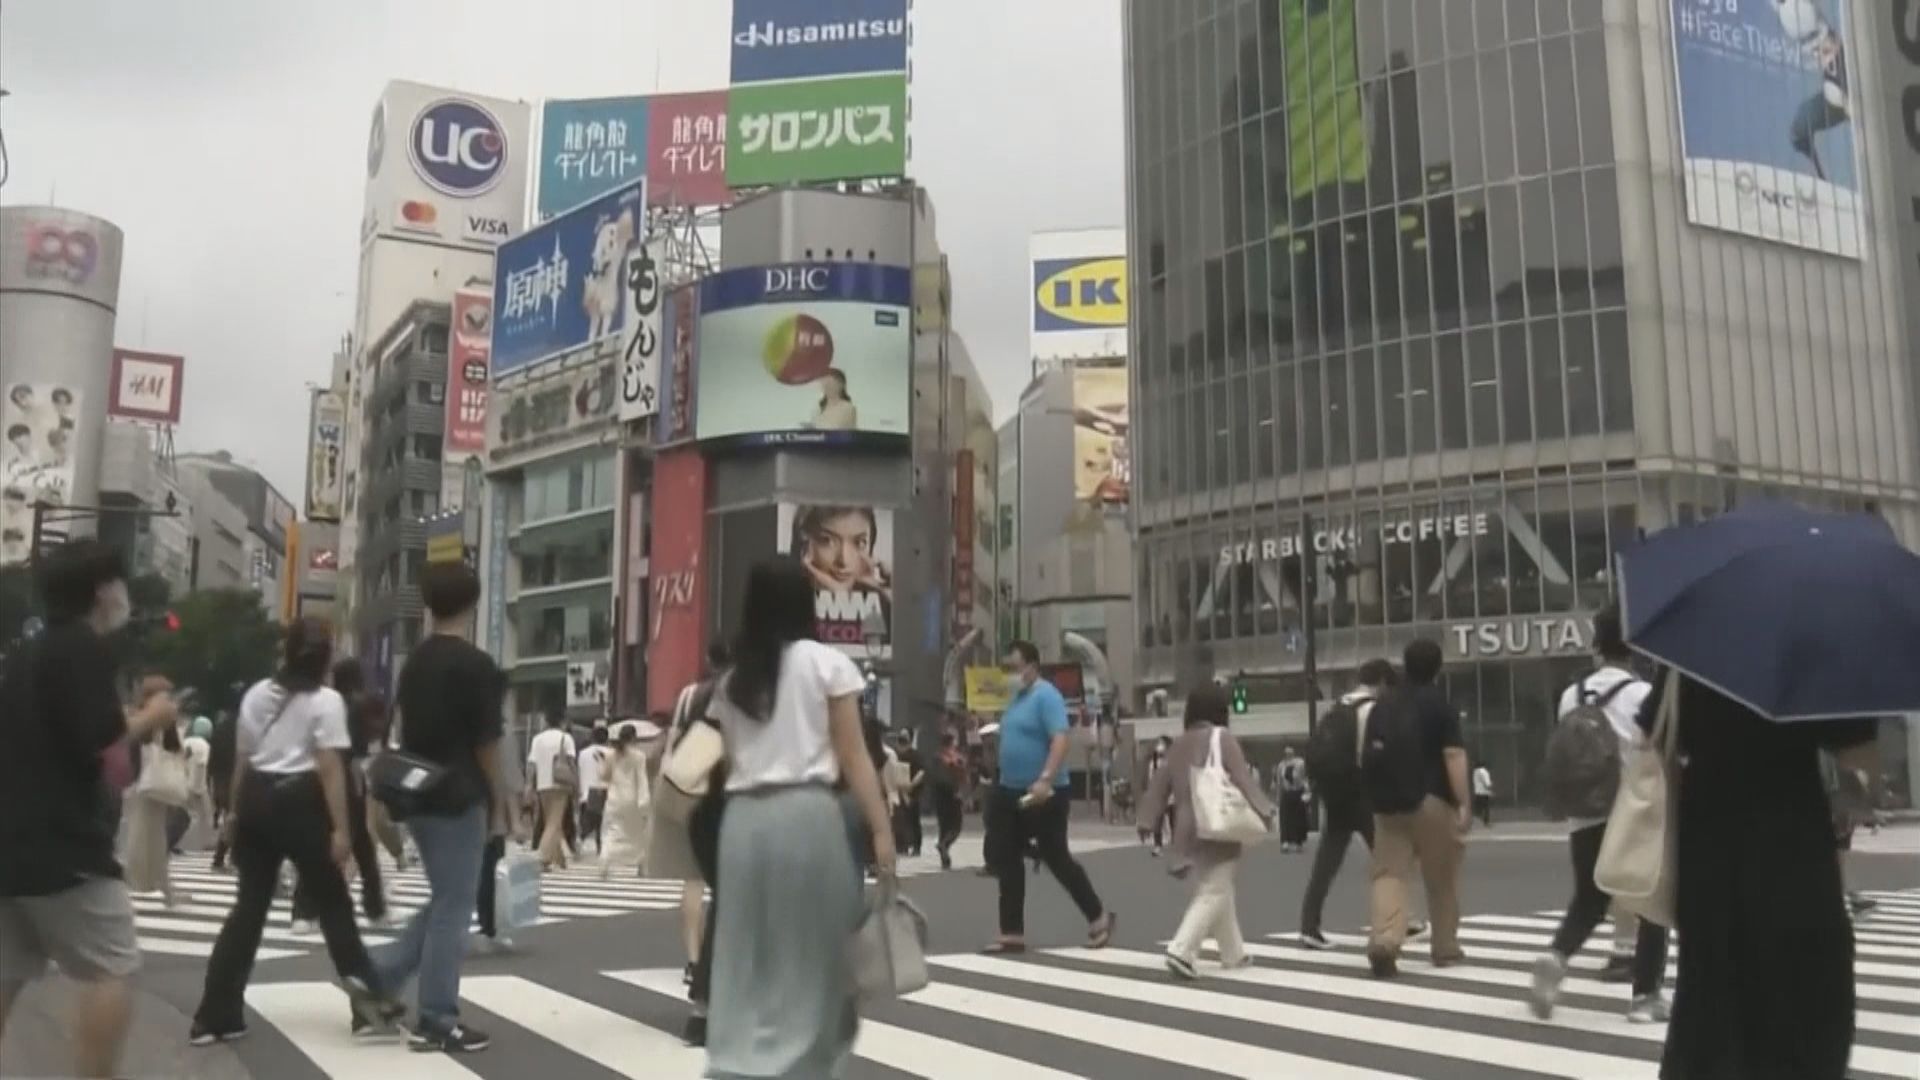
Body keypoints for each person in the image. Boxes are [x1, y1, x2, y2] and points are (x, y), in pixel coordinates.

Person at [703, 556, 895, 1077]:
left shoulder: (732, 683)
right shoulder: (826, 664)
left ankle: (735, 1061)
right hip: (807, 817)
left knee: (745, 950)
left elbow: (724, 763)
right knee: (816, 953)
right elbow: (854, 757)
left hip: (741, 822)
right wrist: (882, 831)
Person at [0, 541, 181, 1079]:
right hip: (66, 843)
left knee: (6, 969)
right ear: (103, 592)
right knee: (112, 968)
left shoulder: (24, 653)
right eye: (120, 585)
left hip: (9, 840)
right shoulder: (85, 649)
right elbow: (104, 752)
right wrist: (152, 717)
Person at [1642, 667, 1876, 1079]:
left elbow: (1657, 739)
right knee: (1804, 1009)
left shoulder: (1691, 644)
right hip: (1792, 848)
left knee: (1711, 1008)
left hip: (1708, 852)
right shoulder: (1808, 639)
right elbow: (1858, 754)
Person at [190, 617, 402, 1046]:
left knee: (248, 910)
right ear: (325, 660)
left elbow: (243, 763)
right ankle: (369, 1003)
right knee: (333, 904)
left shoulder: (255, 696)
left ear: (286, 654)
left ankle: (215, 1014)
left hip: (255, 805)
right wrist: (342, 829)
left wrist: (232, 816)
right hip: (302, 806)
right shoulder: (326, 702)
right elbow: (328, 768)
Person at [369, 561, 508, 1053]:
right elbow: (488, 744)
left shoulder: (416, 662)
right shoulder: (477, 666)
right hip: (460, 794)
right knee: (455, 904)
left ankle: (377, 978)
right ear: (472, 604)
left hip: (417, 793)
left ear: (429, 604)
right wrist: (501, 803)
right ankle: (436, 1017)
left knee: (446, 899)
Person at [1529, 607, 1671, 1023]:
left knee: (1589, 901)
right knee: (1650, 904)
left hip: (1583, 814)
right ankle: (1645, 997)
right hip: (1633, 811)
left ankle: (1557, 955)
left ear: (1596, 647)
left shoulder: (1571, 696)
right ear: (1634, 651)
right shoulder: (1642, 695)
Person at [983, 640, 1117, 954]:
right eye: (1008, 669)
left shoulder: (1047, 696)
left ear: (1031, 666)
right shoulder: (1015, 700)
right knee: (1006, 857)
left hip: (1044, 792)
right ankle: (1011, 931)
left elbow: (1060, 738)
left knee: (1056, 856)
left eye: (1015, 667)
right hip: (1010, 788)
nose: (1011, 674)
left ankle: (1098, 916)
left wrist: (1045, 778)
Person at [1135, 685, 1273, 979]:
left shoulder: (1178, 745)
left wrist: (1146, 819)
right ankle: (1182, 949)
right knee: (1216, 887)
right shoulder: (1222, 738)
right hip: (1217, 822)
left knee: (1217, 883)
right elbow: (1242, 779)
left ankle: (1233, 952)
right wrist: (1264, 808)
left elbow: (1159, 787)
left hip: (1185, 827)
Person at [1364, 638, 1470, 978]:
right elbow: (1453, 755)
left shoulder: (1384, 704)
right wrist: (1464, 801)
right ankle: (1444, 946)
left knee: (1389, 874)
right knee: (1441, 877)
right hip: (1432, 801)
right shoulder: (1440, 705)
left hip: (1388, 803)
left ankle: (1385, 940)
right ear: (1437, 667)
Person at [651, 639, 729, 1046]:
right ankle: (707, 1002)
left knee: (709, 891)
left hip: (695, 802)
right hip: (733, 806)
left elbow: (674, 747)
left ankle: (702, 991)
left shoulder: (689, 695)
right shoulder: (745, 691)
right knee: (733, 902)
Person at [1301, 659, 1397, 949]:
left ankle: (1309, 924)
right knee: (1388, 858)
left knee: (1327, 860)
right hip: (1362, 790)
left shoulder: (1339, 707)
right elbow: (1375, 754)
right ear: (1381, 681)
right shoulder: (1371, 709)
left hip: (1335, 790)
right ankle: (1401, 919)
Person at [291, 658, 389, 929]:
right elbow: (366, 744)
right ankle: (375, 908)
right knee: (363, 848)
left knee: (317, 844)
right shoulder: (362, 706)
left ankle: (303, 912)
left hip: (317, 775)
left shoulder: (323, 704)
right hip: (348, 776)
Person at [597, 726, 650, 881]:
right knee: (639, 834)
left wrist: (601, 762)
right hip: (633, 800)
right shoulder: (639, 756)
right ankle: (641, 865)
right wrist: (644, 802)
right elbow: (642, 780)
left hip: (614, 799)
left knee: (610, 833)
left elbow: (604, 777)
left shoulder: (610, 755)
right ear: (634, 737)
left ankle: (605, 861)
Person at [526, 713, 577, 871]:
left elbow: (531, 764)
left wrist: (528, 784)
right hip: (560, 784)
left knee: (551, 823)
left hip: (542, 784)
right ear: (562, 721)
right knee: (554, 824)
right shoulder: (566, 738)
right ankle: (540, 859)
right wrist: (576, 783)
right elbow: (571, 762)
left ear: (546, 721)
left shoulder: (537, 739)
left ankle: (558, 860)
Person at [930, 728, 967, 869]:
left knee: (944, 826)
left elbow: (932, 776)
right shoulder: (956, 759)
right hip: (953, 794)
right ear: (952, 742)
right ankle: (944, 845)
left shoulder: (936, 757)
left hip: (940, 795)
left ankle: (944, 858)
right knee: (956, 826)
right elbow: (962, 776)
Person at [207, 708, 239, 871]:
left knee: (231, 817)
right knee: (234, 818)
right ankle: (221, 858)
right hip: (236, 779)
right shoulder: (242, 729)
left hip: (220, 779)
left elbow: (212, 759)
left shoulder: (220, 729)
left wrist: (209, 780)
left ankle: (226, 858)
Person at [577, 723, 612, 858]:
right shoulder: (611, 753)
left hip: (586, 791)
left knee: (588, 821)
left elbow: (580, 770)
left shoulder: (583, 753)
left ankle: (581, 840)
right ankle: (600, 848)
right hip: (603, 791)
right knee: (602, 824)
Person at [892, 731, 926, 857]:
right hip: (899, 790)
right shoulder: (895, 755)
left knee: (913, 819)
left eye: (904, 739)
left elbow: (921, 772)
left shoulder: (915, 755)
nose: (901, 743)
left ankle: (916, 847)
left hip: (912, 791)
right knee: (900, 820)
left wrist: (911, 785)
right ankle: (902, 846)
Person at [1276, 746, 1311, 851]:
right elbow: (1279, 782)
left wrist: (1307, 791)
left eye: (1290, 753)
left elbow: (1305, 778)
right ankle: (1285, 842)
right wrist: (1278, 796)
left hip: (1298, 791)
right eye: (1286, 753)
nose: (1288, 755)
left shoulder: (1300, 763)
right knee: (1285, 818)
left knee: (1298, 818)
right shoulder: (1281, 765)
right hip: (1287, 793)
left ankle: (1298, 842)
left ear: (1293, 753)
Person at [1145, 736, 1174, 856]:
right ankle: (1158, 846)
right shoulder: (1153, 764)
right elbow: (1151, 779)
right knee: (1158, 822)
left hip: (1172, 796)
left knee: (1174, 821)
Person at [1471, 762, 1494, 827]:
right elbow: (1487, 784)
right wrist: (1491, 789)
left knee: (1478, 808)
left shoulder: (1475, 772)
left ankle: (1475, 821)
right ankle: (1486, 822)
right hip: (1484, 792)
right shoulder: (1484, 772)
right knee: (1486, 808)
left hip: (1477, 792)